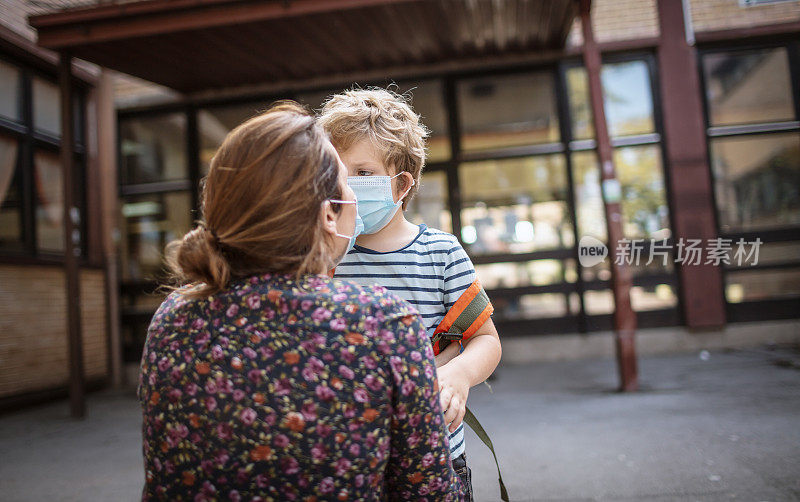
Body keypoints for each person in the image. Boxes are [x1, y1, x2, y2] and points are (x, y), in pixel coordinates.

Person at [138, 101, 465, 501]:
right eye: (346, 181)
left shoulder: (171, 320)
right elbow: (426, 491)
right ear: (330, 213)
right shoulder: (385, 325)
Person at [318, 88, 502, 500]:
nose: (347, 186)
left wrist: (459, 373)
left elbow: (485, 339)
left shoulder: (441, 252)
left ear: (402, 183)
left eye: (363, 174)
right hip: (350, 461)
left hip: (436, 455)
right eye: (335, 173)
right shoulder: (324, 256)